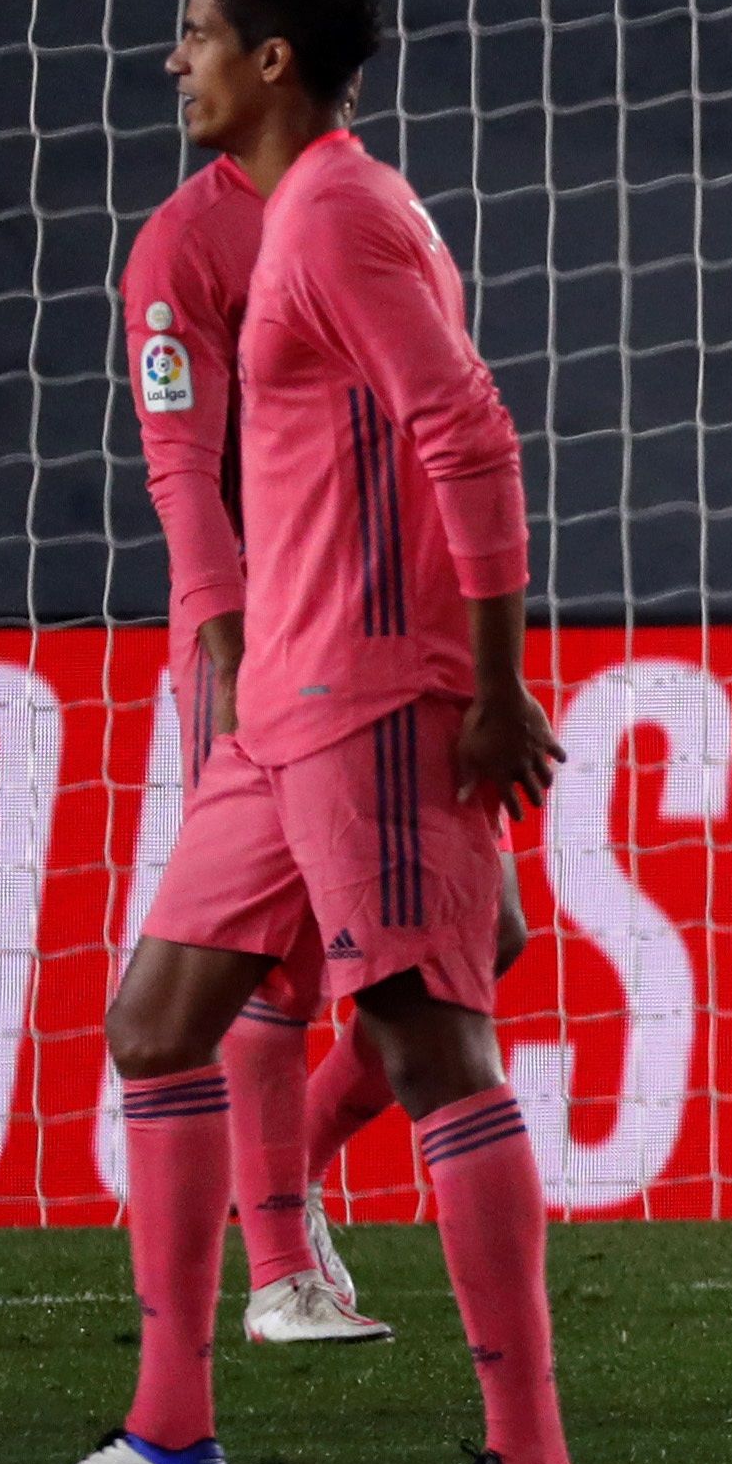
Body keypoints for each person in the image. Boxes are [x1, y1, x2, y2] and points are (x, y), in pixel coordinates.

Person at [0, 0, 582, 1464]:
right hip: (278, 706)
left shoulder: (335, 217)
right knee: (158, 1019)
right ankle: (170, 1442)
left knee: (433, 1041)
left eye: (193, 34)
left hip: (375, 690)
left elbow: (467, 424)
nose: (172, 60)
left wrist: (495, 674)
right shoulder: (278, 222)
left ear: (267, 60)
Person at [120, 156, 530, 1349]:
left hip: (387, 643)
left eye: (199, 34)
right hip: (262, 645)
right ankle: (280, 1264)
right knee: (254, 965)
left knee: (484, 934)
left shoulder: (367, 204)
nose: (177, 60)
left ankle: (280, 1179)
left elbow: (441, 435)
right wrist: (232, 645)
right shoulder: (185, 244)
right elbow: (183, 470)